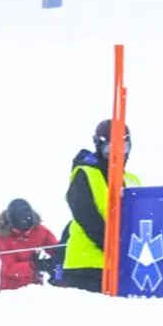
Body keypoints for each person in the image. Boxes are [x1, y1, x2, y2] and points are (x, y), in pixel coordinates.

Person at [59, 120, 141, 290]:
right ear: (99, 146)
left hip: (123, 267)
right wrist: (112, 245)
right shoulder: (85, 173)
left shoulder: (132, 180)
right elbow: (85, 215)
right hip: (85, 266)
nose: (119, 155)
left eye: (124, 147)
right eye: (111, 149)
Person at [0, 199, 60, 291]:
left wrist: (58, 277)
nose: (27, 233)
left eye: (30, 229)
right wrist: (34, 265)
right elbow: (9, 268)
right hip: (11, 289)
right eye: (21, 231)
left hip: (35, 287)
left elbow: (58, 254)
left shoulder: (41, 231)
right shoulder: (4, 239)